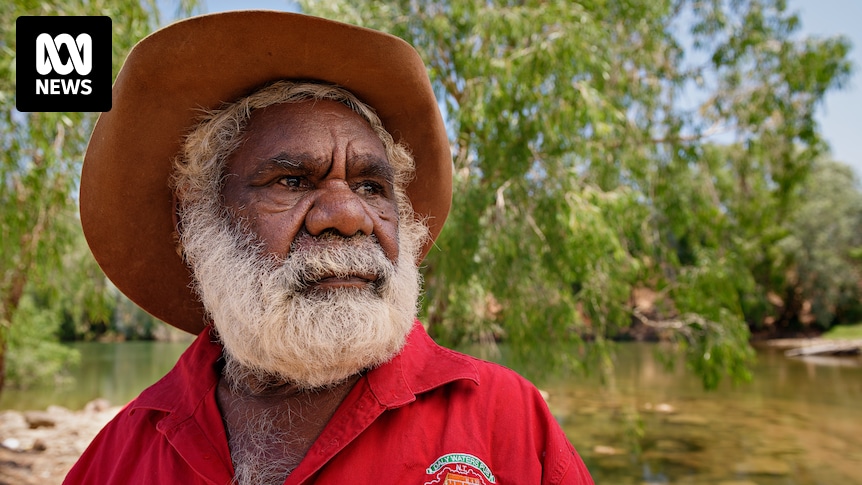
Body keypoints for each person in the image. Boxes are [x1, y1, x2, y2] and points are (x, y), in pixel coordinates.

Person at [65, 10, 594, 485]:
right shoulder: (121, 454)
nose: (348, 216)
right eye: (291, 182)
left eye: (371, 187)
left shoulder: (507, 419)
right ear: (194, 219)